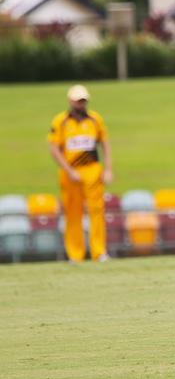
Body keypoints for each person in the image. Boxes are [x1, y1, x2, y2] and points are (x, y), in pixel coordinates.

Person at [47, 84, 113, 262]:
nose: (80, 104)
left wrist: (108, 169)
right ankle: (75, 254)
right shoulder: (60, 121)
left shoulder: (94, 119)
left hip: (92, 170)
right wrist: (68, 171)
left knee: (97, 211)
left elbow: (104, 143)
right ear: (70, 101)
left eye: (83, 100)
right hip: (70, 173)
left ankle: (99, 252)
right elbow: (54, 148)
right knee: (72, 213)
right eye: (77, 101)